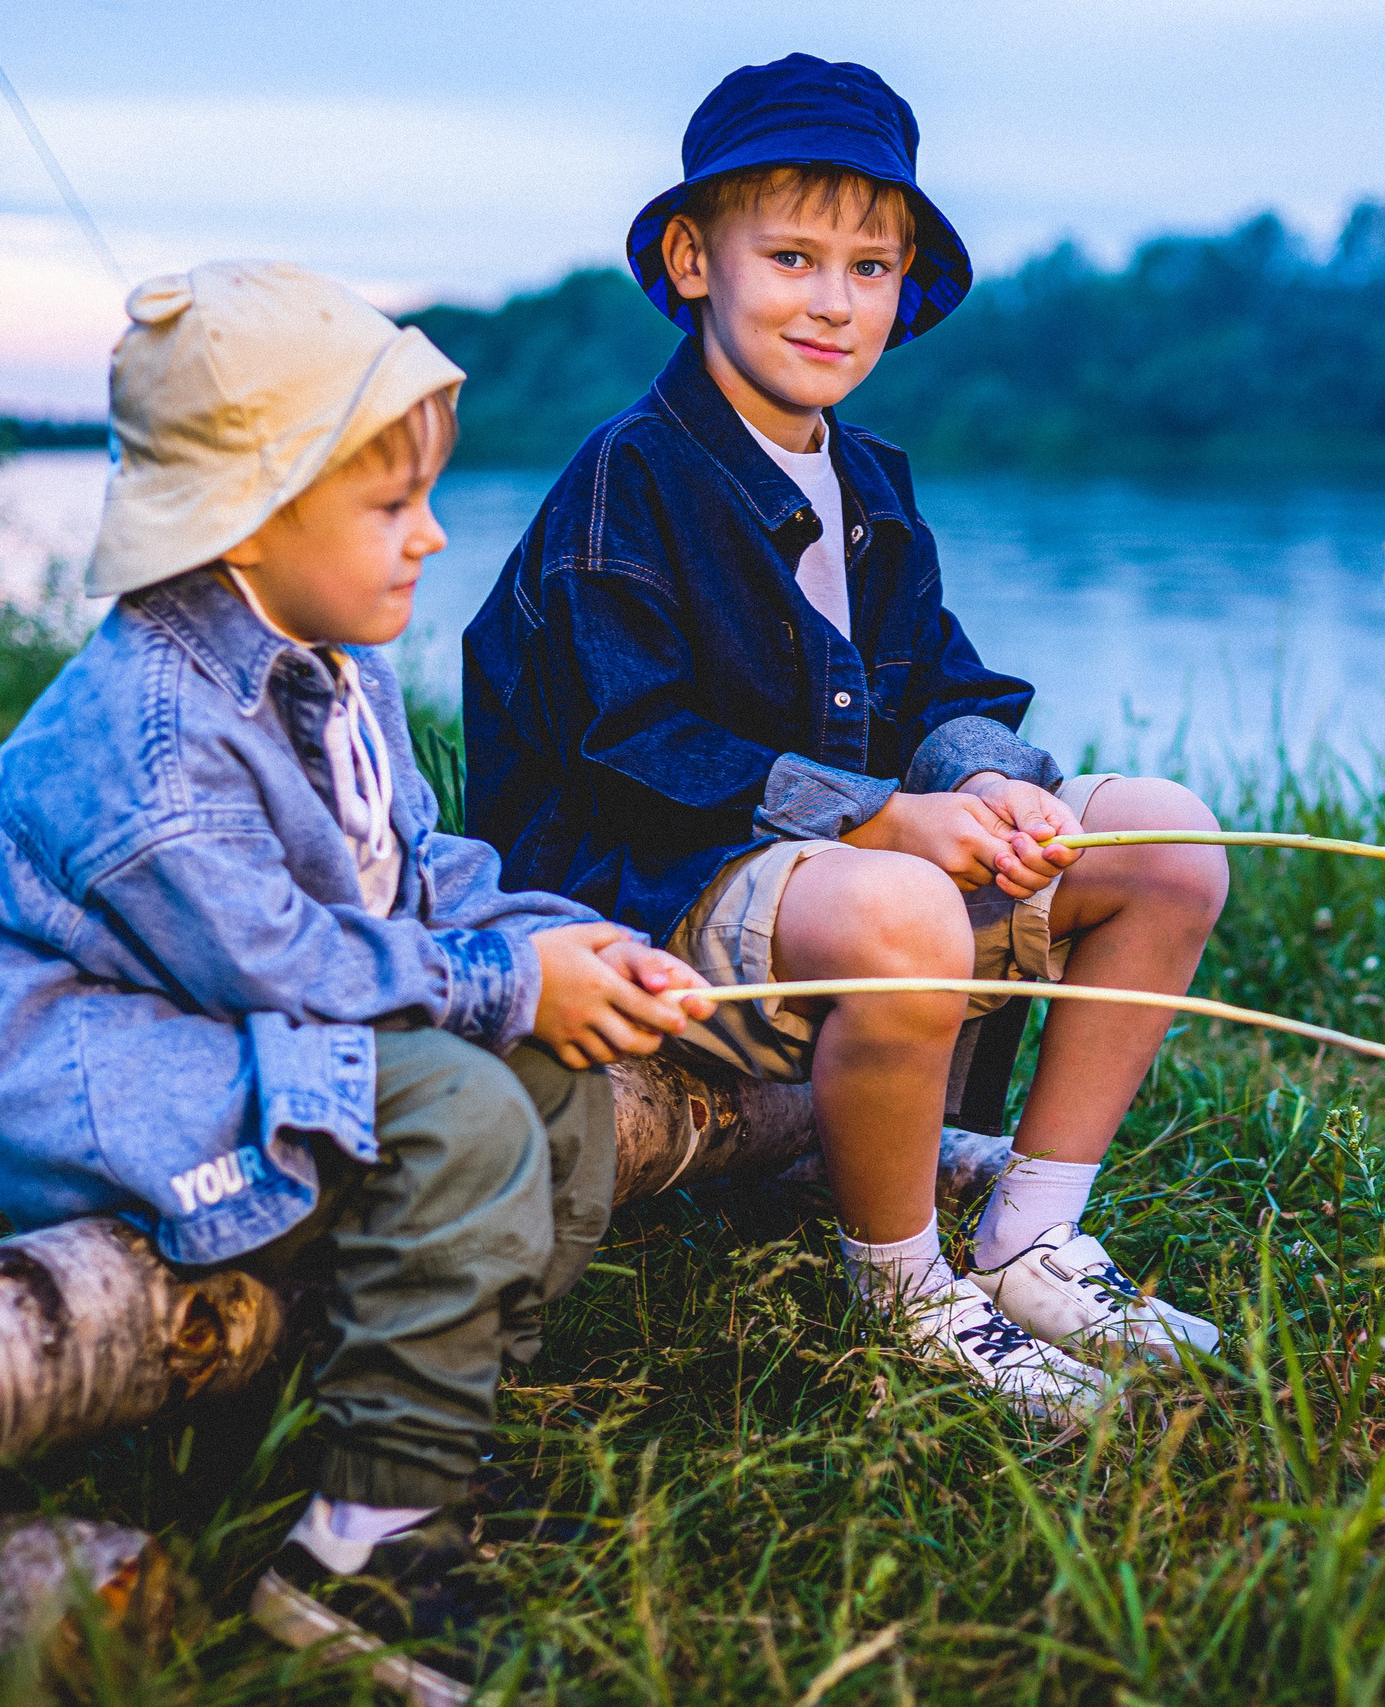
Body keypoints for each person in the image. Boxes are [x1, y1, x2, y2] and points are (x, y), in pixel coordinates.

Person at [0, 261, 713, 1701]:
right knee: (467, 1111)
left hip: (268, 1022)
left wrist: (569, 944)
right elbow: (270, 958)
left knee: (554, 1079)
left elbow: (418, 875)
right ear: (251, 519)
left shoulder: (337, 659)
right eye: (390, 507)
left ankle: (408, 1437)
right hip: (133, 1071)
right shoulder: (153, 736)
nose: (432, 536)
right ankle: (346, 1567)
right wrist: (504, 986)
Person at [462, 55, 1232, 1427]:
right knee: (899, 903)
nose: (833, 300)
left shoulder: (871, 479)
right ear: (695, 260)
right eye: (795, 257)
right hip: (637, 901)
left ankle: (1035, 1232)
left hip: (815, 893)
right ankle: (903, 1285)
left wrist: (986, 778)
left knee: (1168, 841)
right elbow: (627, 737)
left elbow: (936, 681)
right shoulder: (627, 479)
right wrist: (880, 820)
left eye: (872, 268)